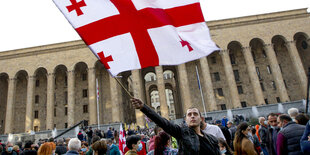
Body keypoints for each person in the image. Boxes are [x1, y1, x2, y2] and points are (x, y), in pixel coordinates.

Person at [131, 98, 221, 154]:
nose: (192, 116)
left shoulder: (212, 139)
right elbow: (164, 123)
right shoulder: (182, 133)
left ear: (201, 118)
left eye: (195, 114)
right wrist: (144, 108)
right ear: (186, 120)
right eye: (189, 114)